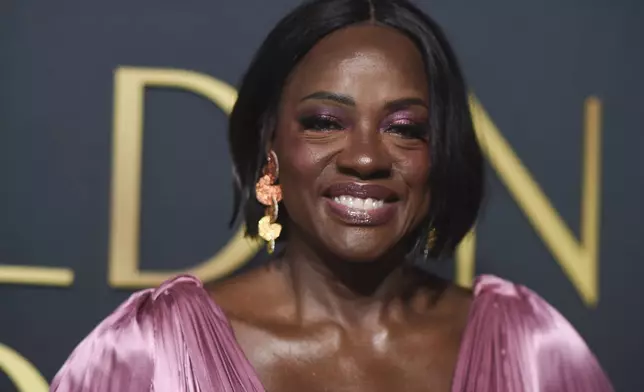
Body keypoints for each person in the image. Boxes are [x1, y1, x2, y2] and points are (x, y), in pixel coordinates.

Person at [50, 0, 614, 391]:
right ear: (269, 143)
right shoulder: (149, 354)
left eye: (404, 128)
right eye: (324, 121)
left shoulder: (530, 350)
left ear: (439, 152)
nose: (365, 158)